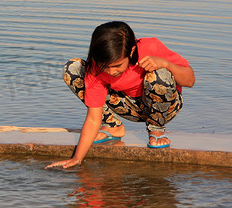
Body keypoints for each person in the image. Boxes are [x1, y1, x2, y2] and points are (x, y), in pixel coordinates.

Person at [46, 21, 195, 169]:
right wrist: (77, 158)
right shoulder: (96, 68)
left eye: (117, 65)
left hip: (164, 106)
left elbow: (190, 81)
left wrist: (165, 63)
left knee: (159, 75)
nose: (111, 72)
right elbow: (93, 117)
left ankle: (156, 128)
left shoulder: (150, 47)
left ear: (131, 51)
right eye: (106, 66)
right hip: (128, 106)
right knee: (73, 69)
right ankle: (112, 126)